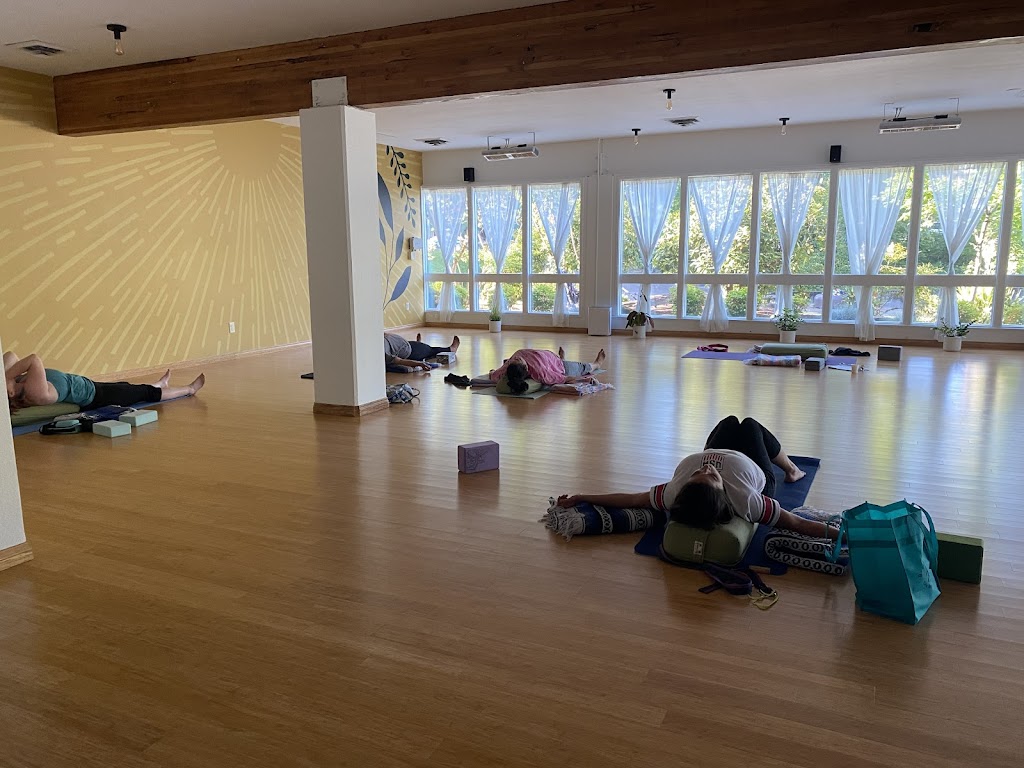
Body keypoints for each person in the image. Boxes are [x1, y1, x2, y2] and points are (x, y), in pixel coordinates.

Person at [558, 415, 837, 540]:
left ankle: (737, 440)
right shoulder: (748, 501)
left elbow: (631, 500)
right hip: (755, 470)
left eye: (697, 475)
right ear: (722, 493)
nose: (705, 470)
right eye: (710, 477)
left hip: (724, 453)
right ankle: (792, 470)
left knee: (730, 422)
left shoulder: (674, 493)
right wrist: (843, 535)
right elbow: (796, 523)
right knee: (749, 425)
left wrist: (582, 496)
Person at [5, 351, 205, 412]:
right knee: (146, 394)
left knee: (127, 387)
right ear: (11, 393)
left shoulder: (20, 381)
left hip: (90, 386)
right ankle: (189, 389)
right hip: (96, 397)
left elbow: (10, 356)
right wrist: (7, 378)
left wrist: (8, 378)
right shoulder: (34, 392)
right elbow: (34, 359)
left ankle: (160, 384)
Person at [489, 347, 607, 395]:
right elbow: (564, 378)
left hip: (550, 357)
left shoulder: (510, 364)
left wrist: (492, 372)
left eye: (514, 360)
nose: (517, 358)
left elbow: (493, 374)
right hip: (560, 366)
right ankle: (597, 364)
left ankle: (561, 358)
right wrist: (583, 379)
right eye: (519, 360)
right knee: (583, 367)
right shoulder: (541, 373)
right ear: (526, 368)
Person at [384, 333, 460, 372]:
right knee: (430, 350)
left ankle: (419, 344)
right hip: (409, 351)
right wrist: (420, 364)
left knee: (420, 347)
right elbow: (399, 361)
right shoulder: (383, 354)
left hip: (404, 345)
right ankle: (451, 349)